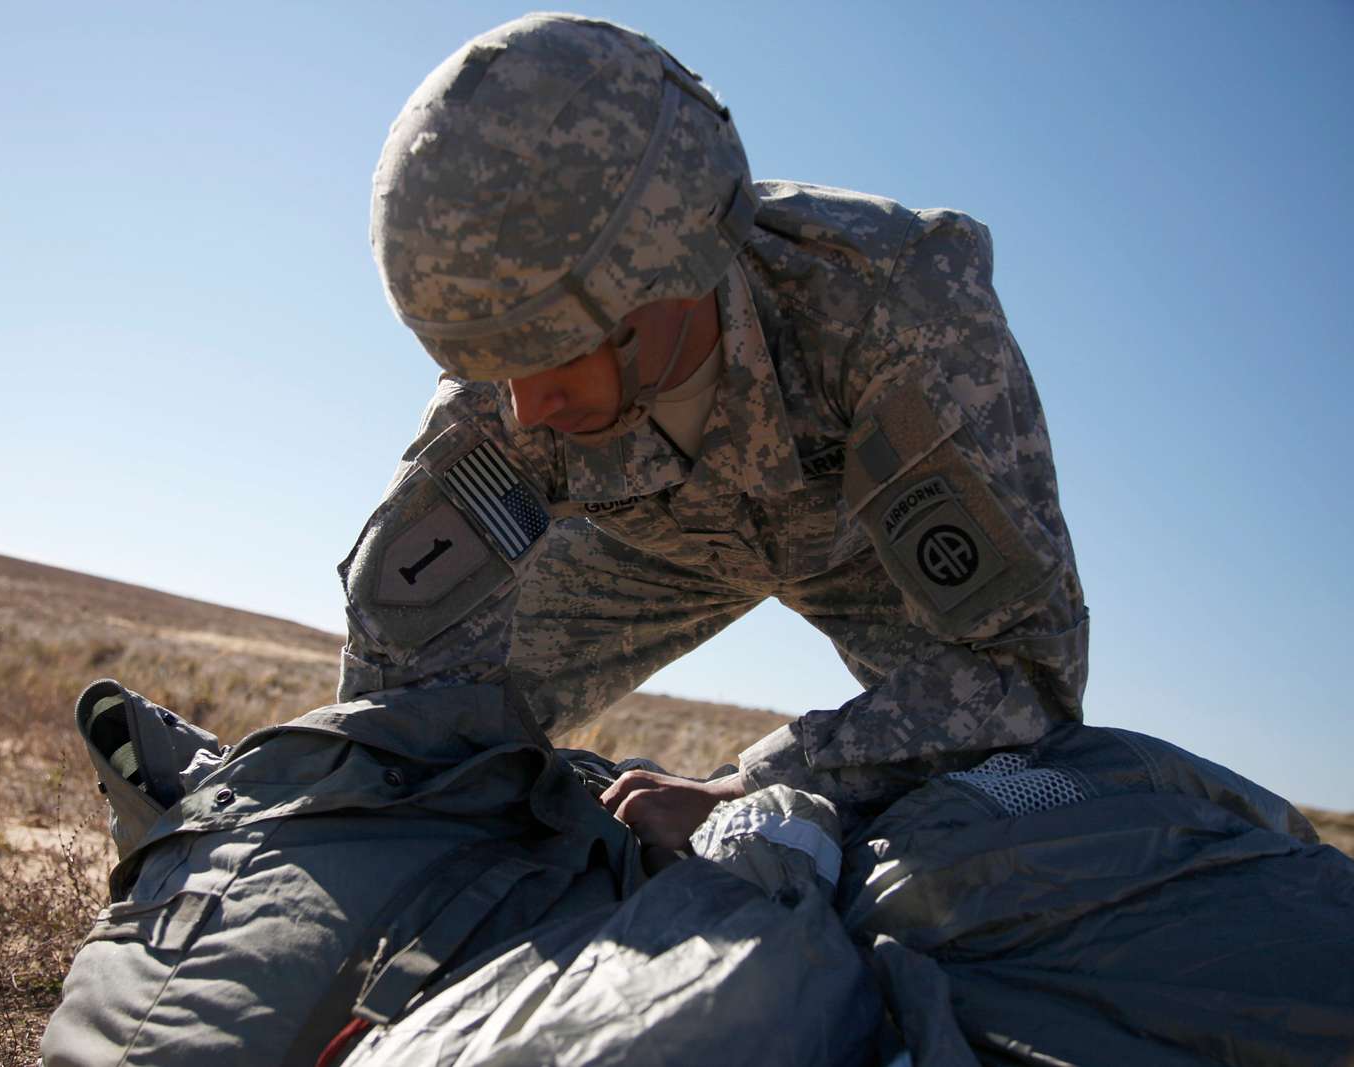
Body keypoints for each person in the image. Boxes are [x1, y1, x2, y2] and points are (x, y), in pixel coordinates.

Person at [339, 12, 1088, 844]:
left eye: (556, 352)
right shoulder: (505, 381)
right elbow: (403, 684)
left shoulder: (890, 310)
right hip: (648, 552)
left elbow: (1021, 670)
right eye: (491, 364)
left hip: (862, 549)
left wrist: (757, 789)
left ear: (675, 268)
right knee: (433, 749)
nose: (526, 408)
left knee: (1011, 777)